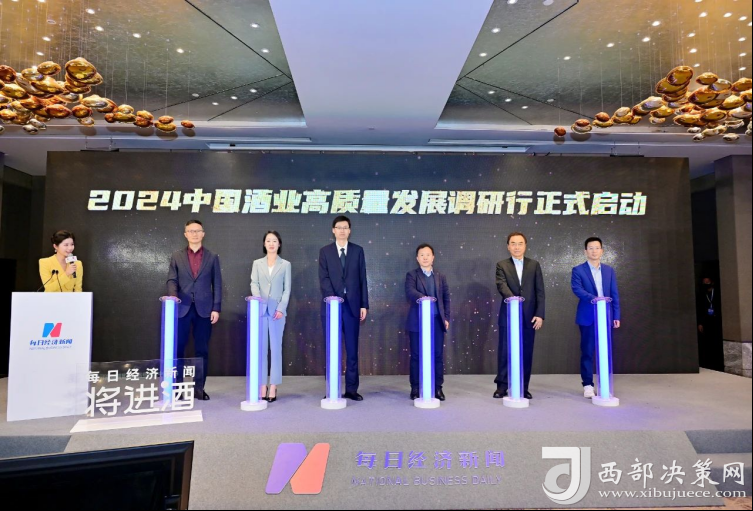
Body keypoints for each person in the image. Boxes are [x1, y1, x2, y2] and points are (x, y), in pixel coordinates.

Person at [166, 219, 222, 401]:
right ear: (185, 234)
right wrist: (173, 296)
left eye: (198, 231)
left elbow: (217, 284)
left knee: (202, 351)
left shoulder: (212, 257)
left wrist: (216, 308)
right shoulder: (177, 256)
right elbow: (172, 279)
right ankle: (177, 389)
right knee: (178, 350)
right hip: (181, 308)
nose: (195, 234)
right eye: (191, 231)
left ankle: (199, 389)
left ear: (203, 234)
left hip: (204, 310)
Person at [318, 215, 369, 401]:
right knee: (332, 349)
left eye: (345, 227)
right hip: (332, 306)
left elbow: (362, 279)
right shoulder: (325, 252)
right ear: (333, 230)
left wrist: (364, 304)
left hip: (353, 307)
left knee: (352, 349)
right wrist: (333, 298)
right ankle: (332, 388)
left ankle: (352, 389)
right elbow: (323, 278)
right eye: (339, 227)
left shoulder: (358, 251)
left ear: (349, 230)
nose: (342, 230)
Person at [494, 232, 545, 400]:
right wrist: (514, 300)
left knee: (526, 352)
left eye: (520, 243)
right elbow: (501, 285)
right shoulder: (502, 265)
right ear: (508, 246)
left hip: (529, 317)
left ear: (525, 246)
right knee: (505, 352)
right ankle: (502, 386)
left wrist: (539, 314)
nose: (517, 247)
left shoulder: (534, 265)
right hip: (508, 316)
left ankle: (523, 387)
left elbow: (540, 291)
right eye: (513, 243)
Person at [571, 237, 621, 398]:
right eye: (591, 248)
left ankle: (604, 384)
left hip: (606, 316)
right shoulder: (578, 270)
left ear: (602, 251)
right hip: (588, 316)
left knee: (605, 351)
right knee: (587, 351)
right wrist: (596, 299)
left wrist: (616, 315)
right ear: (585, 251)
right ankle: (587, 385)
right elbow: (577, 289)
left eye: (597, 248)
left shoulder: (609, 270)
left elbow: (614, 294)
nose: (594, 251)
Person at [405, 243, 450, 401]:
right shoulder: (412, 275)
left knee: (437, 355)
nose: (425, 257)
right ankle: (415, 388)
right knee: (416, 355)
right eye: (422, 255)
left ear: (433, 257)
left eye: (428, 255)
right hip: (417, 322)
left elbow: (446, 298)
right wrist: (424, 298)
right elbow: (410, 291)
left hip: (436, 321)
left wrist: (446, 318)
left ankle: (437, 388)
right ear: (417, 258)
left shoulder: (440, 276)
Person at [250, 231, 291, 403]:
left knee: (275, 349)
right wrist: (258, 301)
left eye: (274, 241)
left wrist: (281, 308)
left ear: (279, 244)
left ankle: (273, 385)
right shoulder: (257, 263)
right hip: (260, 311)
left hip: (277, 313)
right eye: (268, 241)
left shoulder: (285, 265)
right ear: (264, 244)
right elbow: (254, 283)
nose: (271, 243)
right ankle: (262, 385)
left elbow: (287, 289)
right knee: (261, 350)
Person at [697, 276, 724, 371]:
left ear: (712, 282)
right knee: (707, 342)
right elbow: (699, 308)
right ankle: (707, 362)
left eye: (707, 282)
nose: (705, 284)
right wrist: (700, 322)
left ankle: (717, 363)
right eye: (704, 282)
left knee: (716, 341)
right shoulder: (702, 294)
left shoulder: (718, 293)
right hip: (706, 321)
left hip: (716, 320)